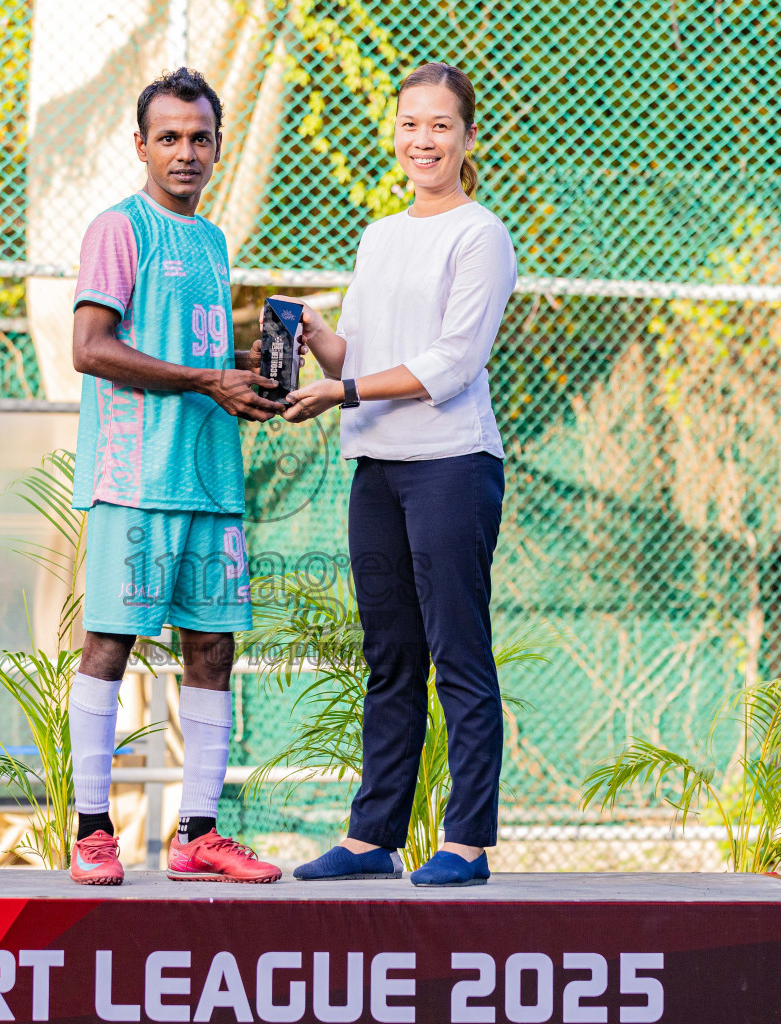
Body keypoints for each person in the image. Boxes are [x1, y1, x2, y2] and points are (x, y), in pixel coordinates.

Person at [280, 62, 517, 886]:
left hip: (452, 465)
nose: (423, 139)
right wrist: (319, 339)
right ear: (396, 132)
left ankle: (467, 843)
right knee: (390, 656)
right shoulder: (379, 234)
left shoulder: (480, 234)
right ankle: (372, 837)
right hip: (377, 466)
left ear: (467, 138)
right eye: (411, 123)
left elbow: (452, 362)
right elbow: (368, 356)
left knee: (458, 653)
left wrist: (342, 387)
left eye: (440, 126)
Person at [66, 68, 286, 885]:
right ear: (141, 146)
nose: (185, 152)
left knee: (213, 651)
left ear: (218, 145)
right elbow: (90, 349)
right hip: (135, 477)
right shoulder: (118, 230)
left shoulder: (212, 241)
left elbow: (191, 356)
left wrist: (247, 375)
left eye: (199, 138)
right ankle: (92, 830)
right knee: (110, 647)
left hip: (209, 480)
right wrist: (206, 380)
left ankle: (198, 834)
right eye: (169, 138)